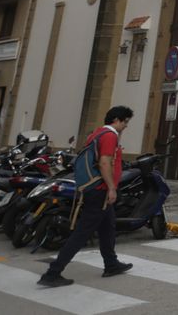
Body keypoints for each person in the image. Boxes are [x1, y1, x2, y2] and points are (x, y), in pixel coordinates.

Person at [38, 106, 134, 288]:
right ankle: (53, 272)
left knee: (108, 227)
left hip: (96, 189)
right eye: (126, 122)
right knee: (82, 232)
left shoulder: (96, 134)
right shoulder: (109, 136)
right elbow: (105, 162)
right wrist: (112, 188)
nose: (126, 126)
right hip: (100, 190)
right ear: (117, 120)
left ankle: (111, 264)